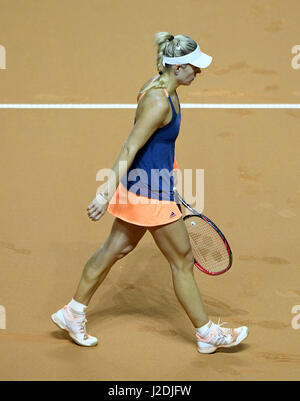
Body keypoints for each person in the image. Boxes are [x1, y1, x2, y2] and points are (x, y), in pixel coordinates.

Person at [51, 32, 249, 354]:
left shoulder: (161, 87)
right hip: (149, 195)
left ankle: (72, 312)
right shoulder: (159, 102)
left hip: (147, 188)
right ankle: (207, 333)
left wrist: (168, 180)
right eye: (193, 67)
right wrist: (104, 193)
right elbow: (130, 146)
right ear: (177, 67)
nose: (197, 72)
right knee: (183, 260)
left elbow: (154, 148)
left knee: (114, 249)